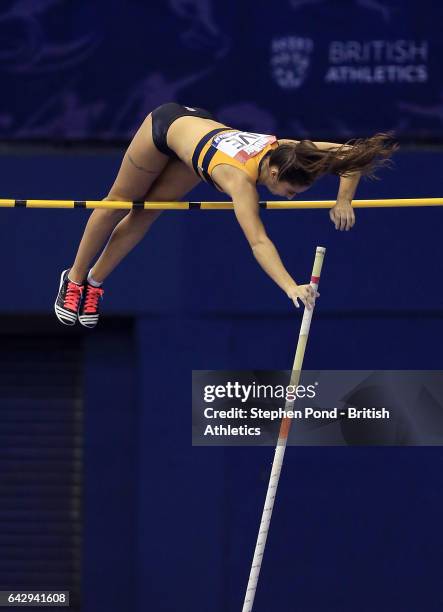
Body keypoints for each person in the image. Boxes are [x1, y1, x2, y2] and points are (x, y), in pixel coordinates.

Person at [54, 102, 397, 328]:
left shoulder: (290, 151)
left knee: (148, 213)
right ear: (274, 175)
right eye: (291, 192)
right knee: (120, 202)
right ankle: (74, 278)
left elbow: (352, 154)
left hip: (200, 145)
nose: (290, 198)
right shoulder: (240, 182)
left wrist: (343, 202)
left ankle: (95, 282)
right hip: (167, 127)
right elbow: (259, 241)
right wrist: (289, 286)